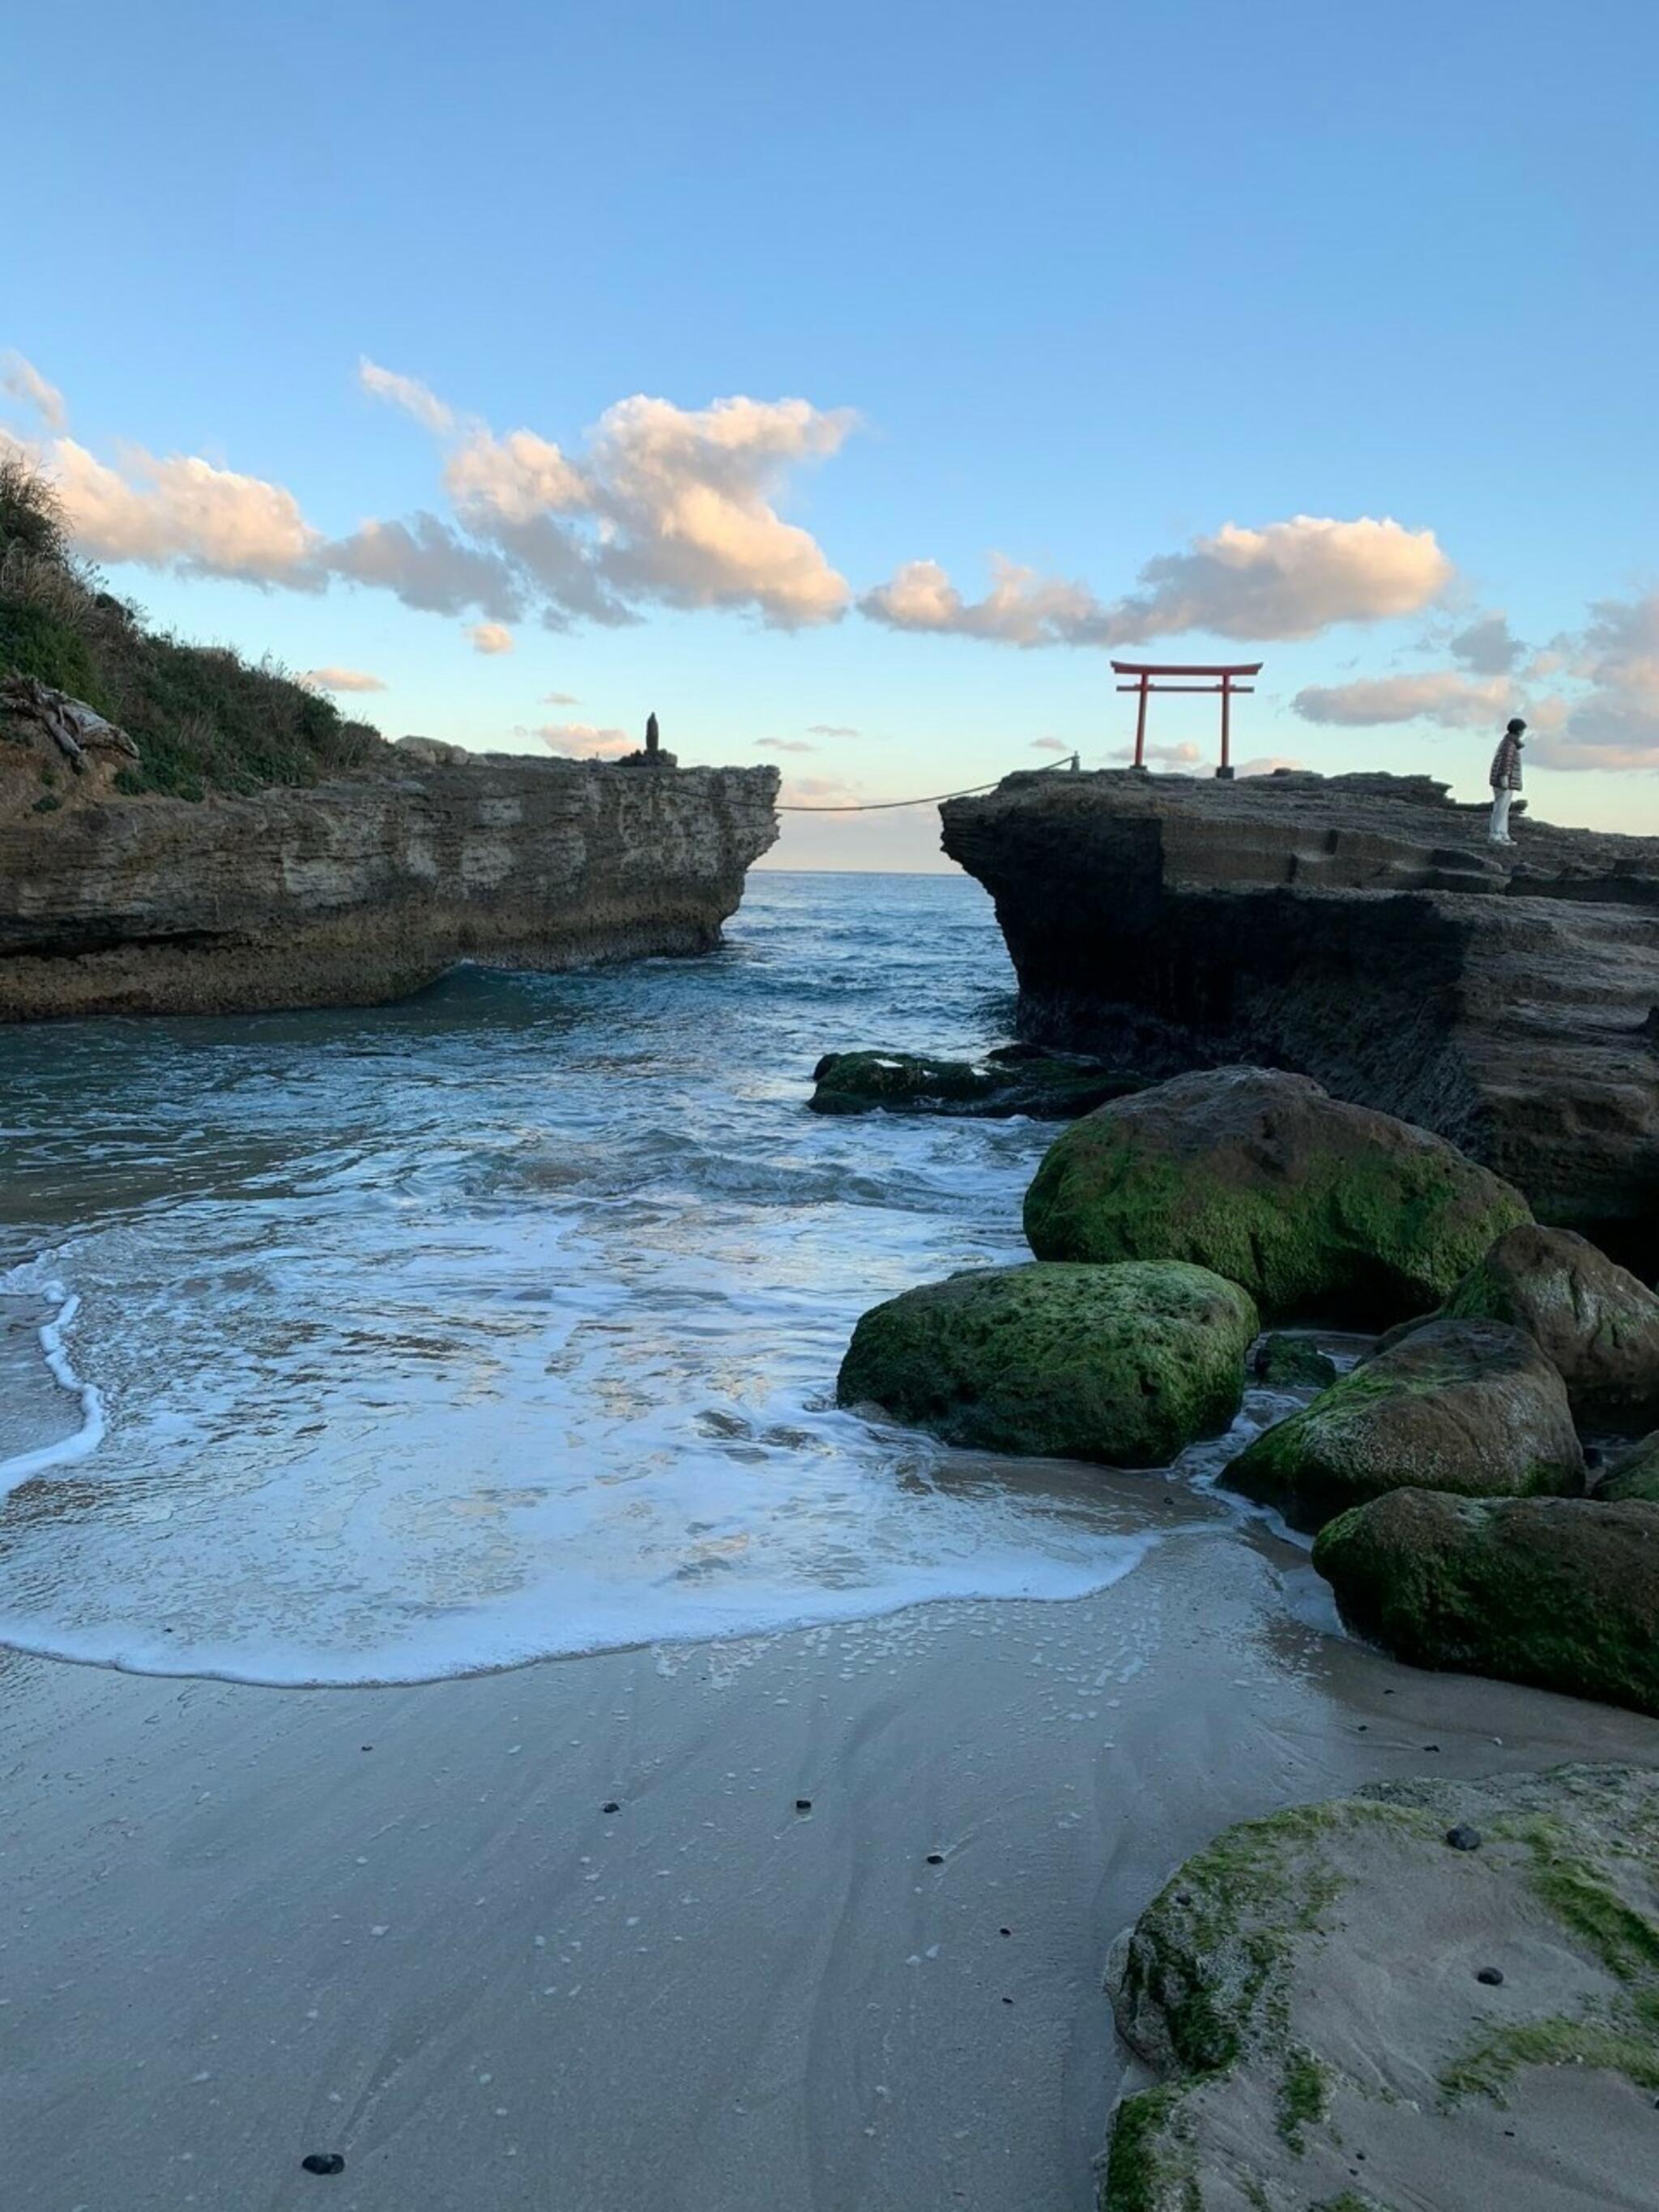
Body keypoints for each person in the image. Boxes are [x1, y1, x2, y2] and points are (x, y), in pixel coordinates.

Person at [1489, 717, 1525, 845]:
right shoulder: (1510, 744)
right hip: (1505, 781)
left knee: (1503, 808)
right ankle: (1497, 834)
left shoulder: (1508, 742)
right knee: (1501, 808)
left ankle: (1503, 833)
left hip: (1504, 780)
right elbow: (1506, 761)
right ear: (1519, 730)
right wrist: (1504, 778)